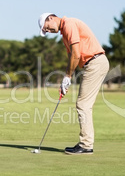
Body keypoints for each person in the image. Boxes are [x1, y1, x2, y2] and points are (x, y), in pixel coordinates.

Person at [38, 13, 109, 155]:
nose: (49, 31)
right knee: (84, 104)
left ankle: (86, 145)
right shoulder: (64, 32)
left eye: (47, 28)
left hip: (95, 62)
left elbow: (76, 54)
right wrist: (66, 79)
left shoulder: (69, 24)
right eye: (46, 31)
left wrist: (68, 76)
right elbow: (72, 56)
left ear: (50, 18)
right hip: (93, 64)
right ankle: (86, 144)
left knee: (83, 105)